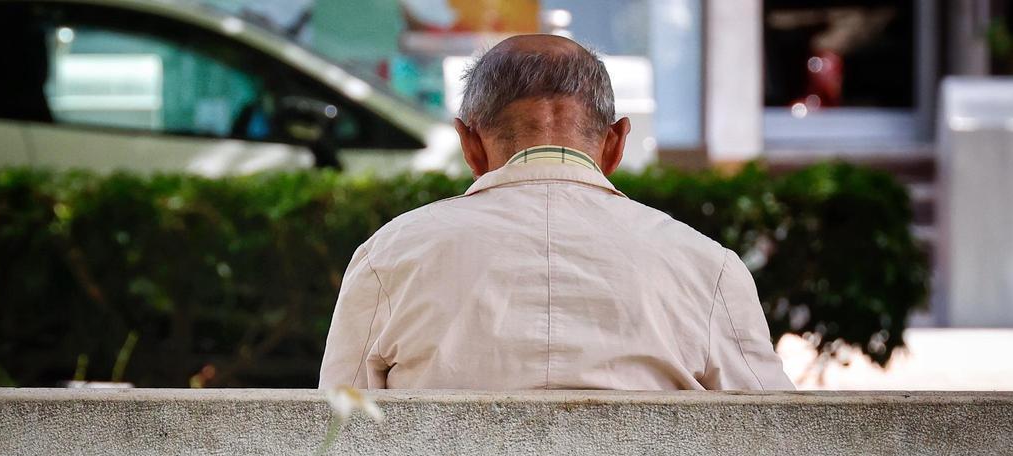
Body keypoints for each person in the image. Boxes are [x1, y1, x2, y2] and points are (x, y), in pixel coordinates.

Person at [319, 34, 793, 390]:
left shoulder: (389, 257)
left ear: (470, 144)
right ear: (616, 143)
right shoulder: (707, 269)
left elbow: (335, 435)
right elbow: (774, 441)